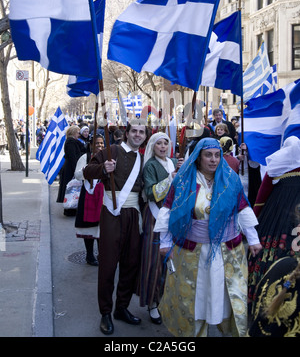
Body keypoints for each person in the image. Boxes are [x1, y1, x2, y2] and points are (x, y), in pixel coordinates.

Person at [153, 137, 262, 337]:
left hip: (226, 251)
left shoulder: (230, 179)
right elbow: (168, 210)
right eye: (208, 155)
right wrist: (165, 242)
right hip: (193, 252)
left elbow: (243, 208)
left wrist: (253, 238)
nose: (213, 160)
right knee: (197, 297)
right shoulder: (184, 180)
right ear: (198, 158)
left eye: (217, 155)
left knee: (225, 295)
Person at [83, 123, 148, 335]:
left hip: (134, 213)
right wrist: (103, 169)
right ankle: (105, 312)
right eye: (134, 131)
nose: (138, 135)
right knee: (108, 264)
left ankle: (122, 307)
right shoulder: (110, 151)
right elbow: (87, 171)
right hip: (112, 212)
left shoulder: (144, 157)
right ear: (127, 133)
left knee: (131, 264)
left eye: (142, 132)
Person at [138, 132, 184, 324]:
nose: (163, 147)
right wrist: (171, 178)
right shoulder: (150, 165)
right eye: (159, 144)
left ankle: (166, 299)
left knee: (171, 261)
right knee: (154, 260)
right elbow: (150, 192)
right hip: (155, 217)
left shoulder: (174, 162)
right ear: (152, 147)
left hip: (173, 217)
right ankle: (152, 303)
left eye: (166, 143)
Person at [248, 136, 300, 303]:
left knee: (271, 250)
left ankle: (263, 294)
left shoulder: (277, 163)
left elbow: (262, 195)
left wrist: (255, 219)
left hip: (276, 213)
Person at [74, 135, 105, 266]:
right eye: (97, 143)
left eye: (102, 143)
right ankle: (89, 254)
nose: (99, 146)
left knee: (101, 226)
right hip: (88, 194)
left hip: (102, 195)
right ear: (92, 145)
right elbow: (77, 175)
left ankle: (102, 253)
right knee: (88, 226)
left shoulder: (107, 157)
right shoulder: (85, 157)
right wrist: (87, 169)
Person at [56, 125, 86, 216]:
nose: (79, 134)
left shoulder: (73, 141)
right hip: (70, 167)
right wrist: (76, 169)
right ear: (73, 133)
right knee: (70, 188)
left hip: (70, 166)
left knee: (72, 188)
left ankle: (71, 208)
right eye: (77, 132)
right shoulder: (70, 142)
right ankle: (69, 209)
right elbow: (73, 156)